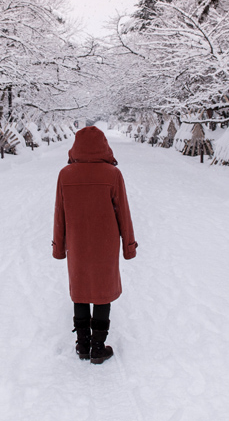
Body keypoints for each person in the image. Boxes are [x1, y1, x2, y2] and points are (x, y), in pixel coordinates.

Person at [52, 126, 137, 364]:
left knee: (80, 291)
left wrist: (59, 246)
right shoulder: (112, 174)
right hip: (105, 244)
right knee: (102, 292)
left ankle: (82, 345)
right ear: (104, 146)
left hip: (77, 244)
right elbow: (124, 213)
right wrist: (128, 246)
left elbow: (59, 214)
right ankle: (98, 348)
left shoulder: (65, 174)